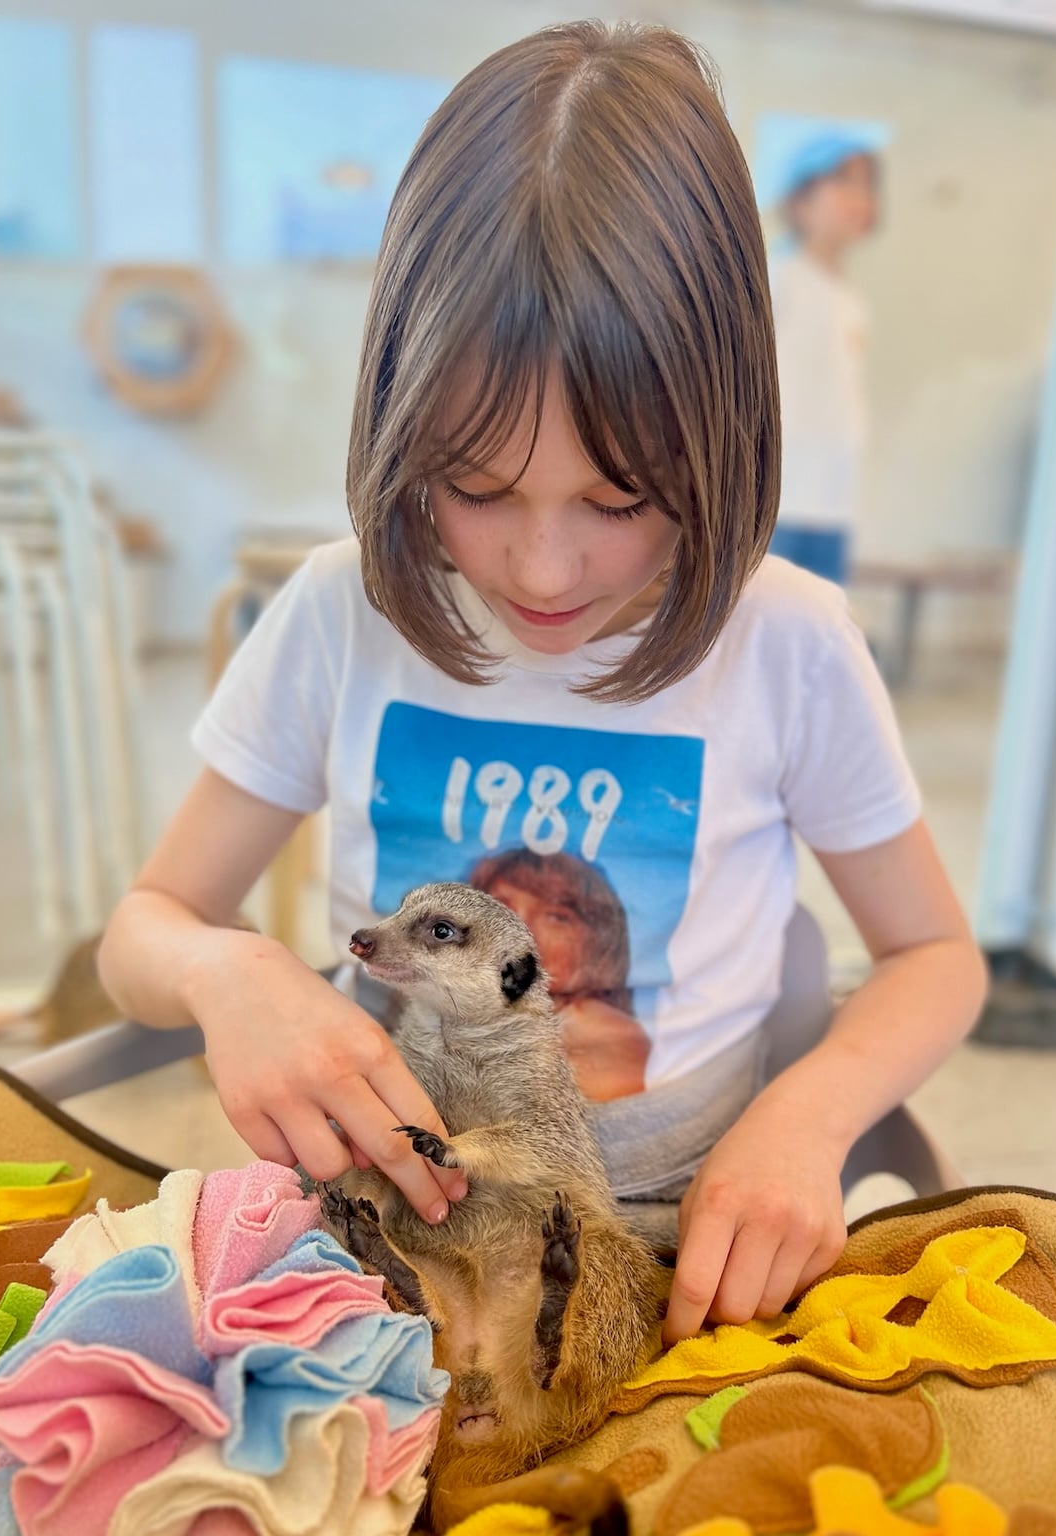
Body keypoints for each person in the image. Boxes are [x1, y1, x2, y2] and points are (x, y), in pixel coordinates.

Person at [97, 23, 987, 1348]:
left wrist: (805, 1115)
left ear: (725, 431)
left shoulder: (788, 643)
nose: (547, 564)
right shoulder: (341, 614)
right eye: (478, 487)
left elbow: (935, 957)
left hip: (677, 1263)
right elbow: (144, 928)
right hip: (373, 1262)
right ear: (400, 424)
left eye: (622, 495)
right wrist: (227, 971)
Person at [769, 129, 881, 585]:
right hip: (778, 500)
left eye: (867, 184)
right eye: (843, 181)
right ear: (801, 202)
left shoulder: (851, 300)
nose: (859, 197)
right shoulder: (777, 279)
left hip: (832, 502)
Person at [470, 848, 650, 1102]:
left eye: (556, 917)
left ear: (599, 945)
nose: (520, 928)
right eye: (499, 909)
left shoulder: (599, 1030)